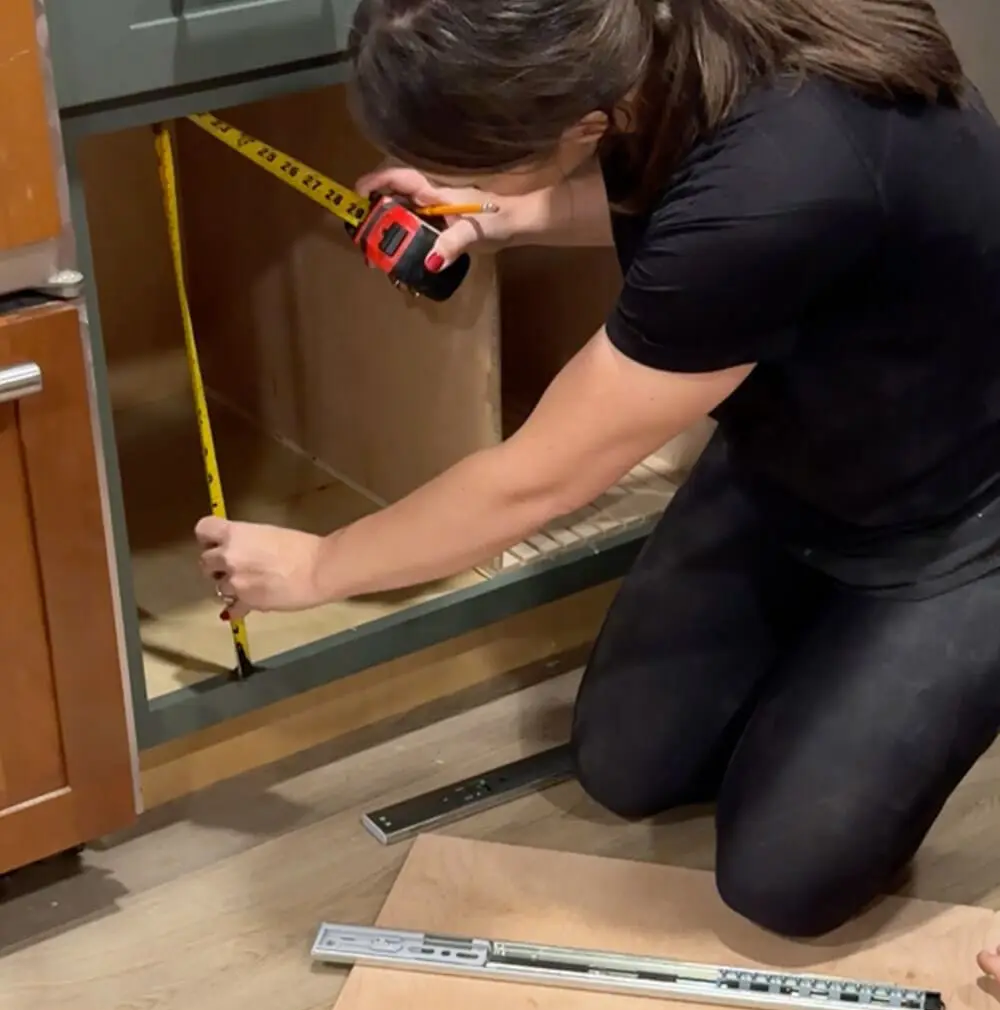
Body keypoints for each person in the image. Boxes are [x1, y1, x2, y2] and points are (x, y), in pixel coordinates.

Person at [195, 0, 1000, 942]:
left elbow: (538, 479)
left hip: (962, 511)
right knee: (626, 765)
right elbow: (675, 193)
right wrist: (507, 212)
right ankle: (846, 657)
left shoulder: (785, 173)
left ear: (585, 120)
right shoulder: (641, 38)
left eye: (478, 161)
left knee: (784, 884)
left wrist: (319, 568)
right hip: (795, 455)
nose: (456, 182)